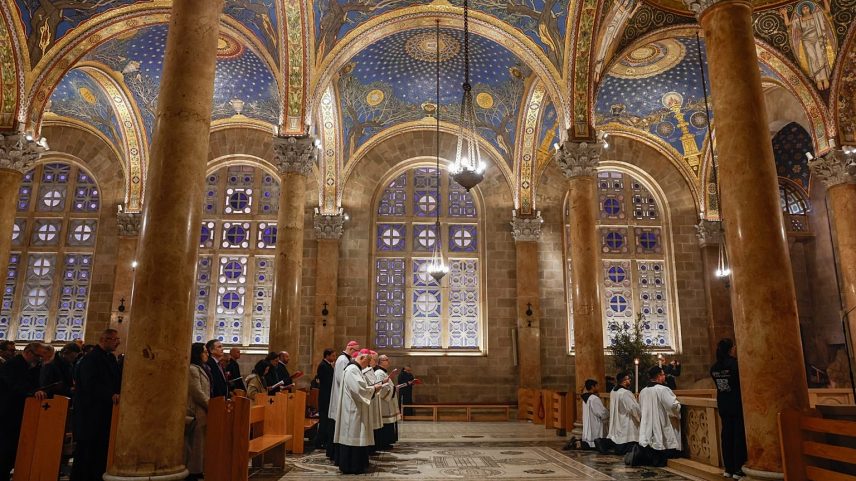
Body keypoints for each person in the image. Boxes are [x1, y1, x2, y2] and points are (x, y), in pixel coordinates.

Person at [71, 329, 121, 481]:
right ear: (104, 339)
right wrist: (110, 394)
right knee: (87, 453)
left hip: (103, 413)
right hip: (90, 414)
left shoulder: (110, 358)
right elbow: (90, 384)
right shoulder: (91, 359)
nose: (118, 342)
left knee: (99, 453)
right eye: (114, 339)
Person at [0, 342, 47, 481]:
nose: (39, 359)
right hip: (8, 414)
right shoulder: (13, 365)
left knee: (11, 453)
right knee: (5, 451)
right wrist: (32, 392)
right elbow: (14, 386)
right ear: (29, 352)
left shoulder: (31, 367)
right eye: (38, 356)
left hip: (20, 414)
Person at [332, 349, 382, 474]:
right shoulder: (352, 370)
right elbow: (359, 390)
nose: (368, 364)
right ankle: (351, 466)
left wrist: (371, 388)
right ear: (362, 358)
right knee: (353, 437)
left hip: (355, 408)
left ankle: (358, 464)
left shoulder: (355, 369)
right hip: (352, 410)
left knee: (357, 437)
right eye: (368, 361)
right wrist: (374, 388)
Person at [710, 339, 747, 479]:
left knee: (726, 436)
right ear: (731, 349)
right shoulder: (735, 365)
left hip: (724, 404)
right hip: (736, 404)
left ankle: (728, 468)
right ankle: (738, 468)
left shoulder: (714, 368)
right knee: (738, 436)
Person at [638, 365, 681, 467]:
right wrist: (678, 407)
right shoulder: (663, 389)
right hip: (660, 421)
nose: (664, 377)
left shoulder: (643, 391)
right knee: (661, 441)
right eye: (663, 375)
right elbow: (672, 405)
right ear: (658, 376)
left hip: (647, 423)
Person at [327, 340, 360, 459]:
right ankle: (333, 453)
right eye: (356, 351)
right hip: (340, 396)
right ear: (351, 349)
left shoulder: (345, 360)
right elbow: (341, 379)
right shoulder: (343, 360)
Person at [186, 343, 210, 481]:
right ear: (197, 353)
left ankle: (198, 468)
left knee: (199, 442)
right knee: (194, 442)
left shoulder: (200, 368)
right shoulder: (192, 369)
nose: (207, 354)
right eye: (205, 352)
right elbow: (197, 392)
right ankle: (193, 470)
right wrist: (210, 405)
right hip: (195, 410)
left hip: (203, 410)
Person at [608, 371, 641, 455]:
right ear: (624, 381)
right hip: (627, 423)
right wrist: (640, 417)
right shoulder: (625, 393)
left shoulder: (613, 391)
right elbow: (633, 408)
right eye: (628, 379)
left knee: (620, 441)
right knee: (629, 443)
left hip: (618, 421)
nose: (630, 380)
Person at [375, 354, 400, 450]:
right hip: (384, 403)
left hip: (387, 402)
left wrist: (393, 388)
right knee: (385, 424)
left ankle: (387, 442)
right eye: (386, 360)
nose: (388, 361)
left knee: (388, 423)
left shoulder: (383, 372)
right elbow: (381, 389)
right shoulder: (379, 373)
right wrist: (392, 390)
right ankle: (383, 443)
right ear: (381, 361)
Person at [315, 348, 336, 450]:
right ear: (327, 355)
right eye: (332, 356)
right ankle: (320, 442)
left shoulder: (327, 365)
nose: (334, 358)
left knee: (326, 420)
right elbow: (327, 381)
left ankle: (324, 440)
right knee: (324, 420)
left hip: (327, 395)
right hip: (325, 396)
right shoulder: (323, 365)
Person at [581, 379, 609, 449]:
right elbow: (601, 413)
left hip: (589, 423)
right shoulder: (594, 398)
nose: (598, 388)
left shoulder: (585, 398)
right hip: (595, 424)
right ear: (592, 387)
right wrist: (608, 412)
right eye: (597, 386)